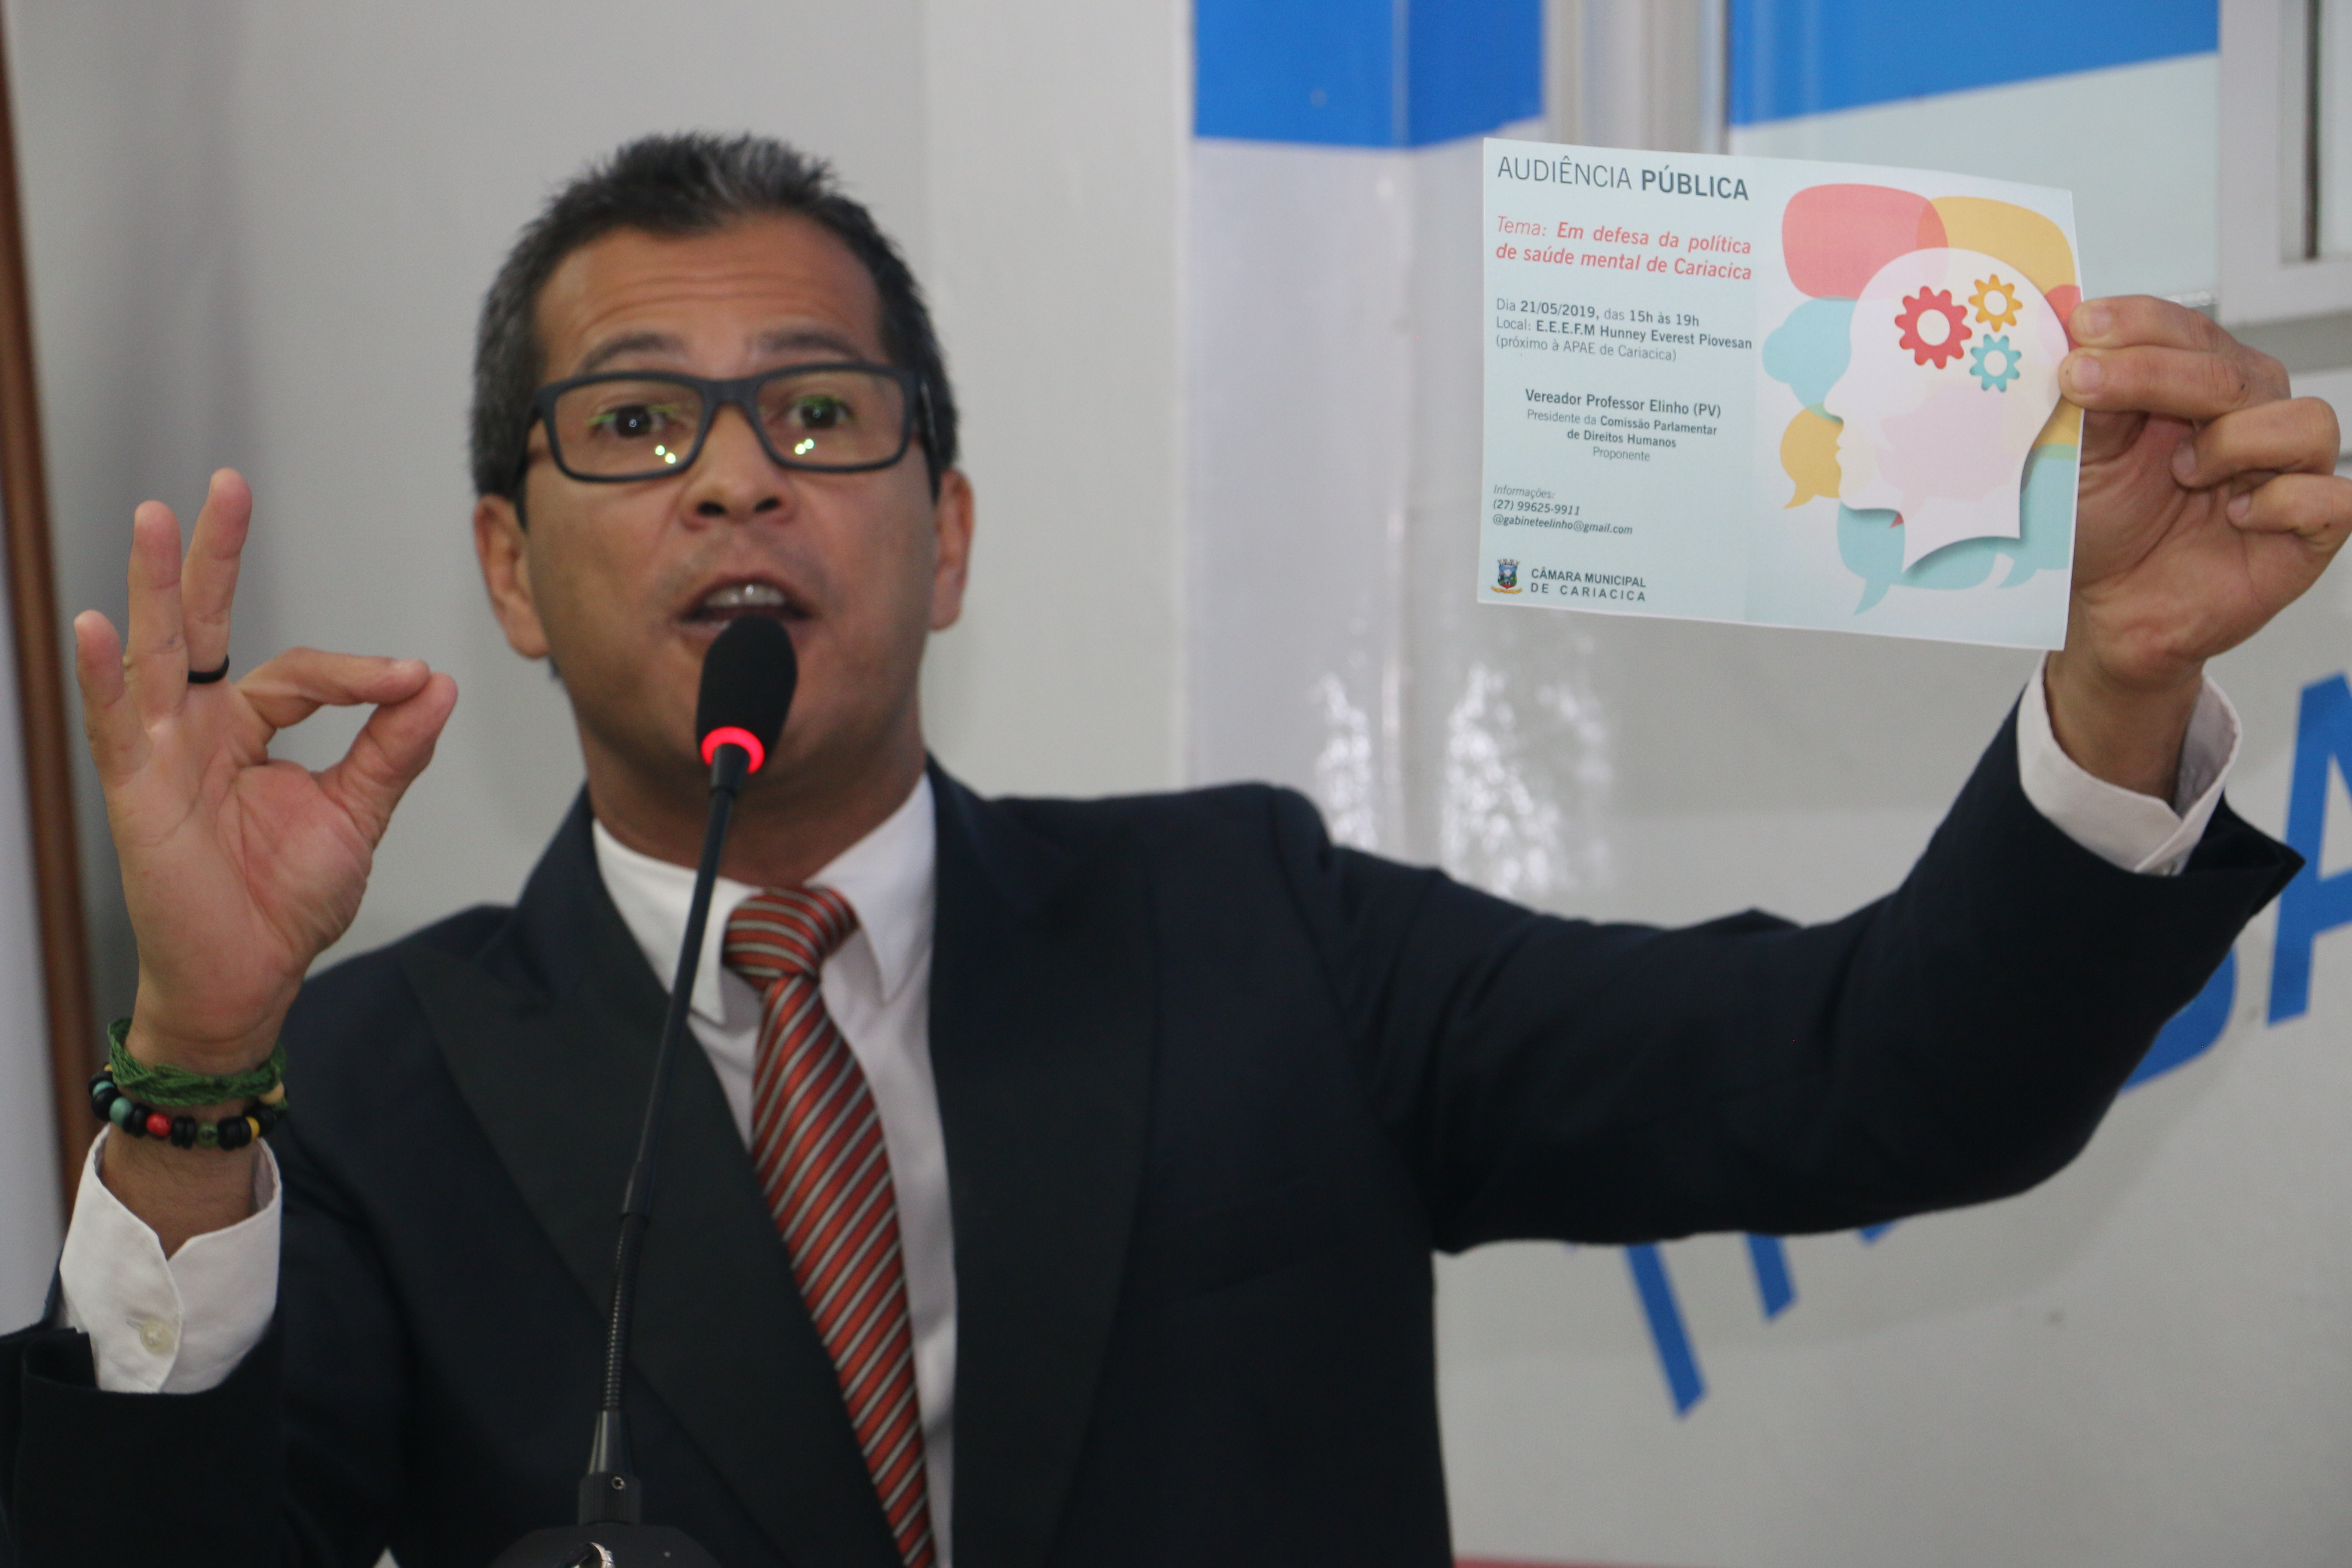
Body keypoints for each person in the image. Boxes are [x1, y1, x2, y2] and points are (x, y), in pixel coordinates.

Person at [0, 132, 2334, 1568]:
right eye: (633, 426)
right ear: (511, 572)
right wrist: (195, 1056)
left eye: (818, 410)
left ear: (949, 533)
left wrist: (2114, 692)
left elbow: (1875, 1078)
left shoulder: (1254, 928)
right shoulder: (359, 1091)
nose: (734, 478)